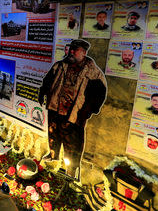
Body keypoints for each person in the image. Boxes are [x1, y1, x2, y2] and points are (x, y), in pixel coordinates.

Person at [39, 39, 107, 179]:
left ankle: (72, 169)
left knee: (73, 143)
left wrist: (89, 111)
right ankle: (53, 155)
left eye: (75, 50)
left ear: (83, 52)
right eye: (71, 49)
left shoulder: (93, 71)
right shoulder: (60, 65)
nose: (71, 52)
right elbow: (48, 80)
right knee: (53, 133)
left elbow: (100, 93)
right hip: (55, 107)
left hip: (75, 114)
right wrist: (42, 93)